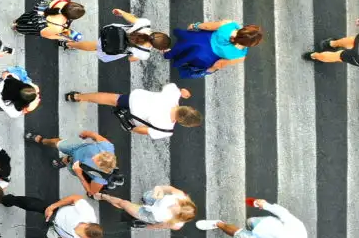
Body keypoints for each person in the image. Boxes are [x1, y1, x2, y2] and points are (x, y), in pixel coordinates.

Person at [66, 84, 202, 139]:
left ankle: (77, 97)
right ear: (183, 123)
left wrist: (181, 92)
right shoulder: (166, 130)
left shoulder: (172, 95)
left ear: (188, 108)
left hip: (134, 99)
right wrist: (132, 128)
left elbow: (170, 86)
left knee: (110, 98)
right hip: (133, 115)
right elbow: (142, 130)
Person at [0, 193, 103, 238]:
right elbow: (75, 198)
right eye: (82, 226)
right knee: (31, 204)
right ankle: (8, 200)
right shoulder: (87, 213)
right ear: (89, 223)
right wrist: (52, 207)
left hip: (57, 231)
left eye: (80, 234)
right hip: (56, 212)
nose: (77, 229)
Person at [27, 131, 118, 197]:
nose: (93, 156)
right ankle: (43, 140)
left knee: (70, 164)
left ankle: (65, 161)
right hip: (78, 147)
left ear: (99, 168)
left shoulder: (101, 178)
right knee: (59, 144)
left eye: (95, 160)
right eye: (98, 155)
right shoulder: (107, 147)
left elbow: (91, 192)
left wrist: (79, 174)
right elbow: (95, 135)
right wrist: (87, 134)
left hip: (79, 167)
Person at [60, 9, 171, 63]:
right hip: (114, 46)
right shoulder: (144, 54)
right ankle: (69, 44)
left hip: (114, 32)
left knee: (94, 44)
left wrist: (121, 12)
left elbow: (130, 18)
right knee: (95, 47)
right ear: (156, 48)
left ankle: (69, 43)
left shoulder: (145, 23)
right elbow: (130, 59)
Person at [165, 19, 263, 78]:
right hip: (204, 58)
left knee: (185, 44)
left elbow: (207, 26)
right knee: (191, 57)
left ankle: (169, 53)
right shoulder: (241, 56)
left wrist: (195, 25)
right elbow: (219, 64)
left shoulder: (230, 25)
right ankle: (177, 61)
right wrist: (210, 70)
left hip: (200, 39)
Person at [94, 185, 196, 230]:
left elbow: (159, 226)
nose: (176, 203)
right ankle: (144, 199)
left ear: (178, 216)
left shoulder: (176, 224)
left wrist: (146, 226)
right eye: (180, 203)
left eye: (177, 207)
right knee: (146, 196)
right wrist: (158, 189)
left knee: (124, 204)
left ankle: (104, 196)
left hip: (150, 214)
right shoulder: (179, 195)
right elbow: (167, 188)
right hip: (156, 200)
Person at [13, 0, 87, 42]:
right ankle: (17, 28)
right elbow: (45, 34)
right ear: (71, 18)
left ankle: (17, 21)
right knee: (28, 28)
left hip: (39, 11)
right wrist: (64, 37)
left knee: (27, 16)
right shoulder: (58, 27)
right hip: (40, 23)